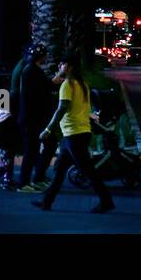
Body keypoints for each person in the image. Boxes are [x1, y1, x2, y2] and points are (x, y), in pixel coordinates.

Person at [31, 49, 114, 215]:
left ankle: (106, 201)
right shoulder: (82, 84)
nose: (60, 66)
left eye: (62, 64)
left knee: (88, 170)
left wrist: (48, 129)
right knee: (60, 169)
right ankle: (46, 201)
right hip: (77, 133)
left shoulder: (67, 85)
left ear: (68, 66)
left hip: (74, 135)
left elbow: (62, 108)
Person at [17, 42, 55, 192]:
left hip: (36, 118)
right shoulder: (31, 72)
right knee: (31, 150)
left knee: (46, 145)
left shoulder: (32, 70)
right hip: (32, 119)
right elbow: (37, 94)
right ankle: (24, 183)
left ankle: (38, 177)